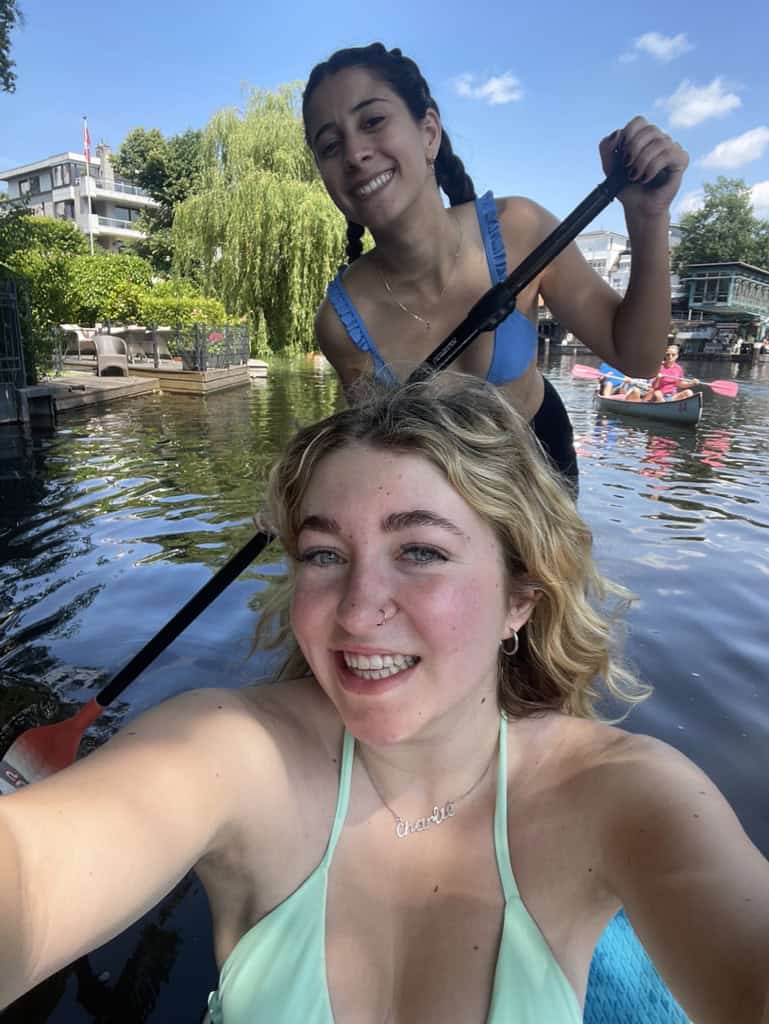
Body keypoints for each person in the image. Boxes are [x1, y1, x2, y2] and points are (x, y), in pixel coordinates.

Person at [2, 374, 768, 1024]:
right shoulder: (234, 751)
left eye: (421, 551)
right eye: (325, 554)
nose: (358, 607)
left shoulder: (621, 794)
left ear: (518, 600)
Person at [303, 43, 690, 491]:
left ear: (429, 132)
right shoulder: (340, 323)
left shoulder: (519, 231)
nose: (354, 154)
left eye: (373, 121)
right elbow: (376, 457)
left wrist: (647, 218)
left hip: (544, 470)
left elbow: (638, 358)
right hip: (449, 494)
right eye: (330, 146)